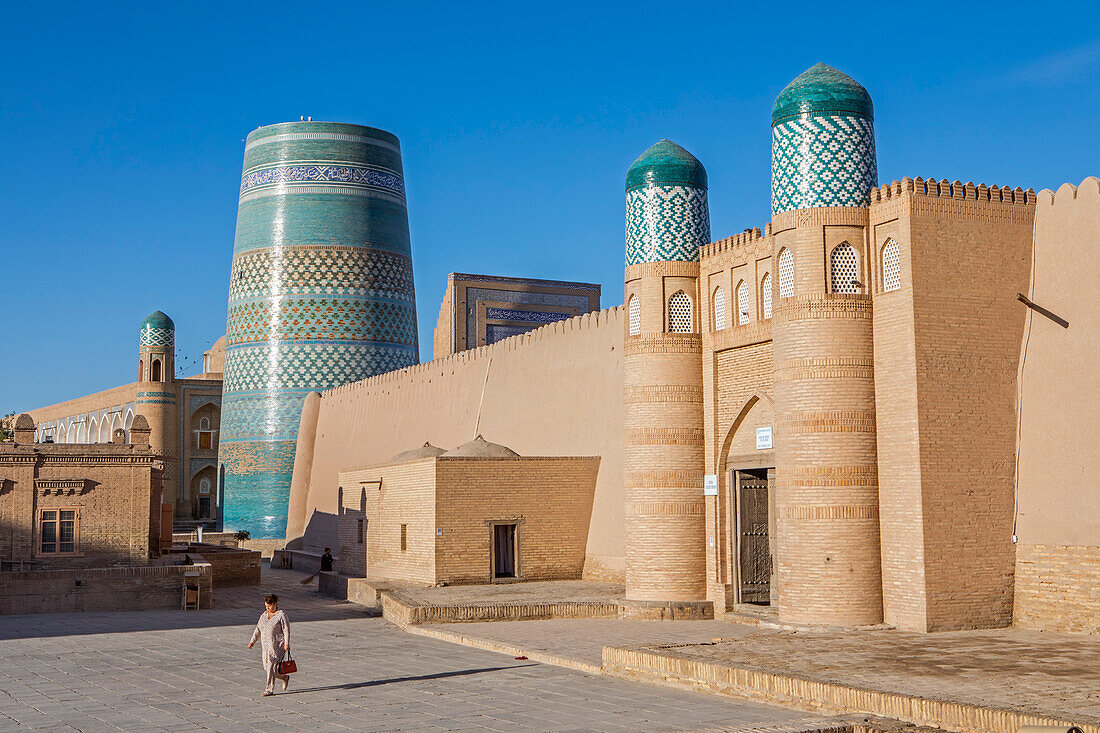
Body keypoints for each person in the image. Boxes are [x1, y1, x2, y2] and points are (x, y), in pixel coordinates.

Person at [248, 593, 291, 696]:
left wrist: (286, 643)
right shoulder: (263, 615)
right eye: (266, 606)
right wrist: (252, 641)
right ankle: (284, 677)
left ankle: (269, 689)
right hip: (265, 646)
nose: (267, 608)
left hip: (277, 646)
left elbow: (286, 630)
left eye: (269, 606)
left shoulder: (281, 615)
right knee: (267, 668)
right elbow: (258, 629)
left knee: (271, 667)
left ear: (275, 604)